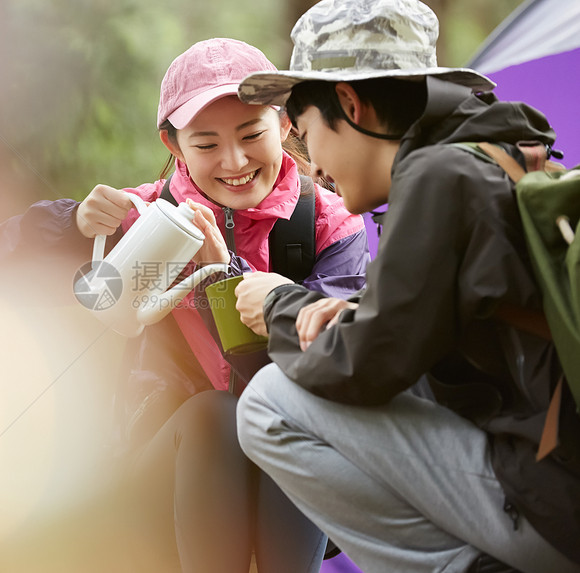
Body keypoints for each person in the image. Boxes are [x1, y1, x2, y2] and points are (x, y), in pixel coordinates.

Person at [0, 38, 370, 572]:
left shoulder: (329, 225)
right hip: (163, 465)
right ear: (174, 145)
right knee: (215, 417)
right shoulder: (147, 223)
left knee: (278, 412)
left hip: (299, 475)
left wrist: (226, 279)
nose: (234, 161)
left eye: (252, 135)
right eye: (206, 144)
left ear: (287, 124)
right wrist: (69, 226)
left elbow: (325, 367)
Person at [232, 1, 580, 572]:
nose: (310, 163)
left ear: (349, 101)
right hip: (556, 487)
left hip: (550, 510)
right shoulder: (497, 156)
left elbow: (364, 368)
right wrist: (348, 315)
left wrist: (279, 304)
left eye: (305, 130)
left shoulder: (440, 177)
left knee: (270, 404)